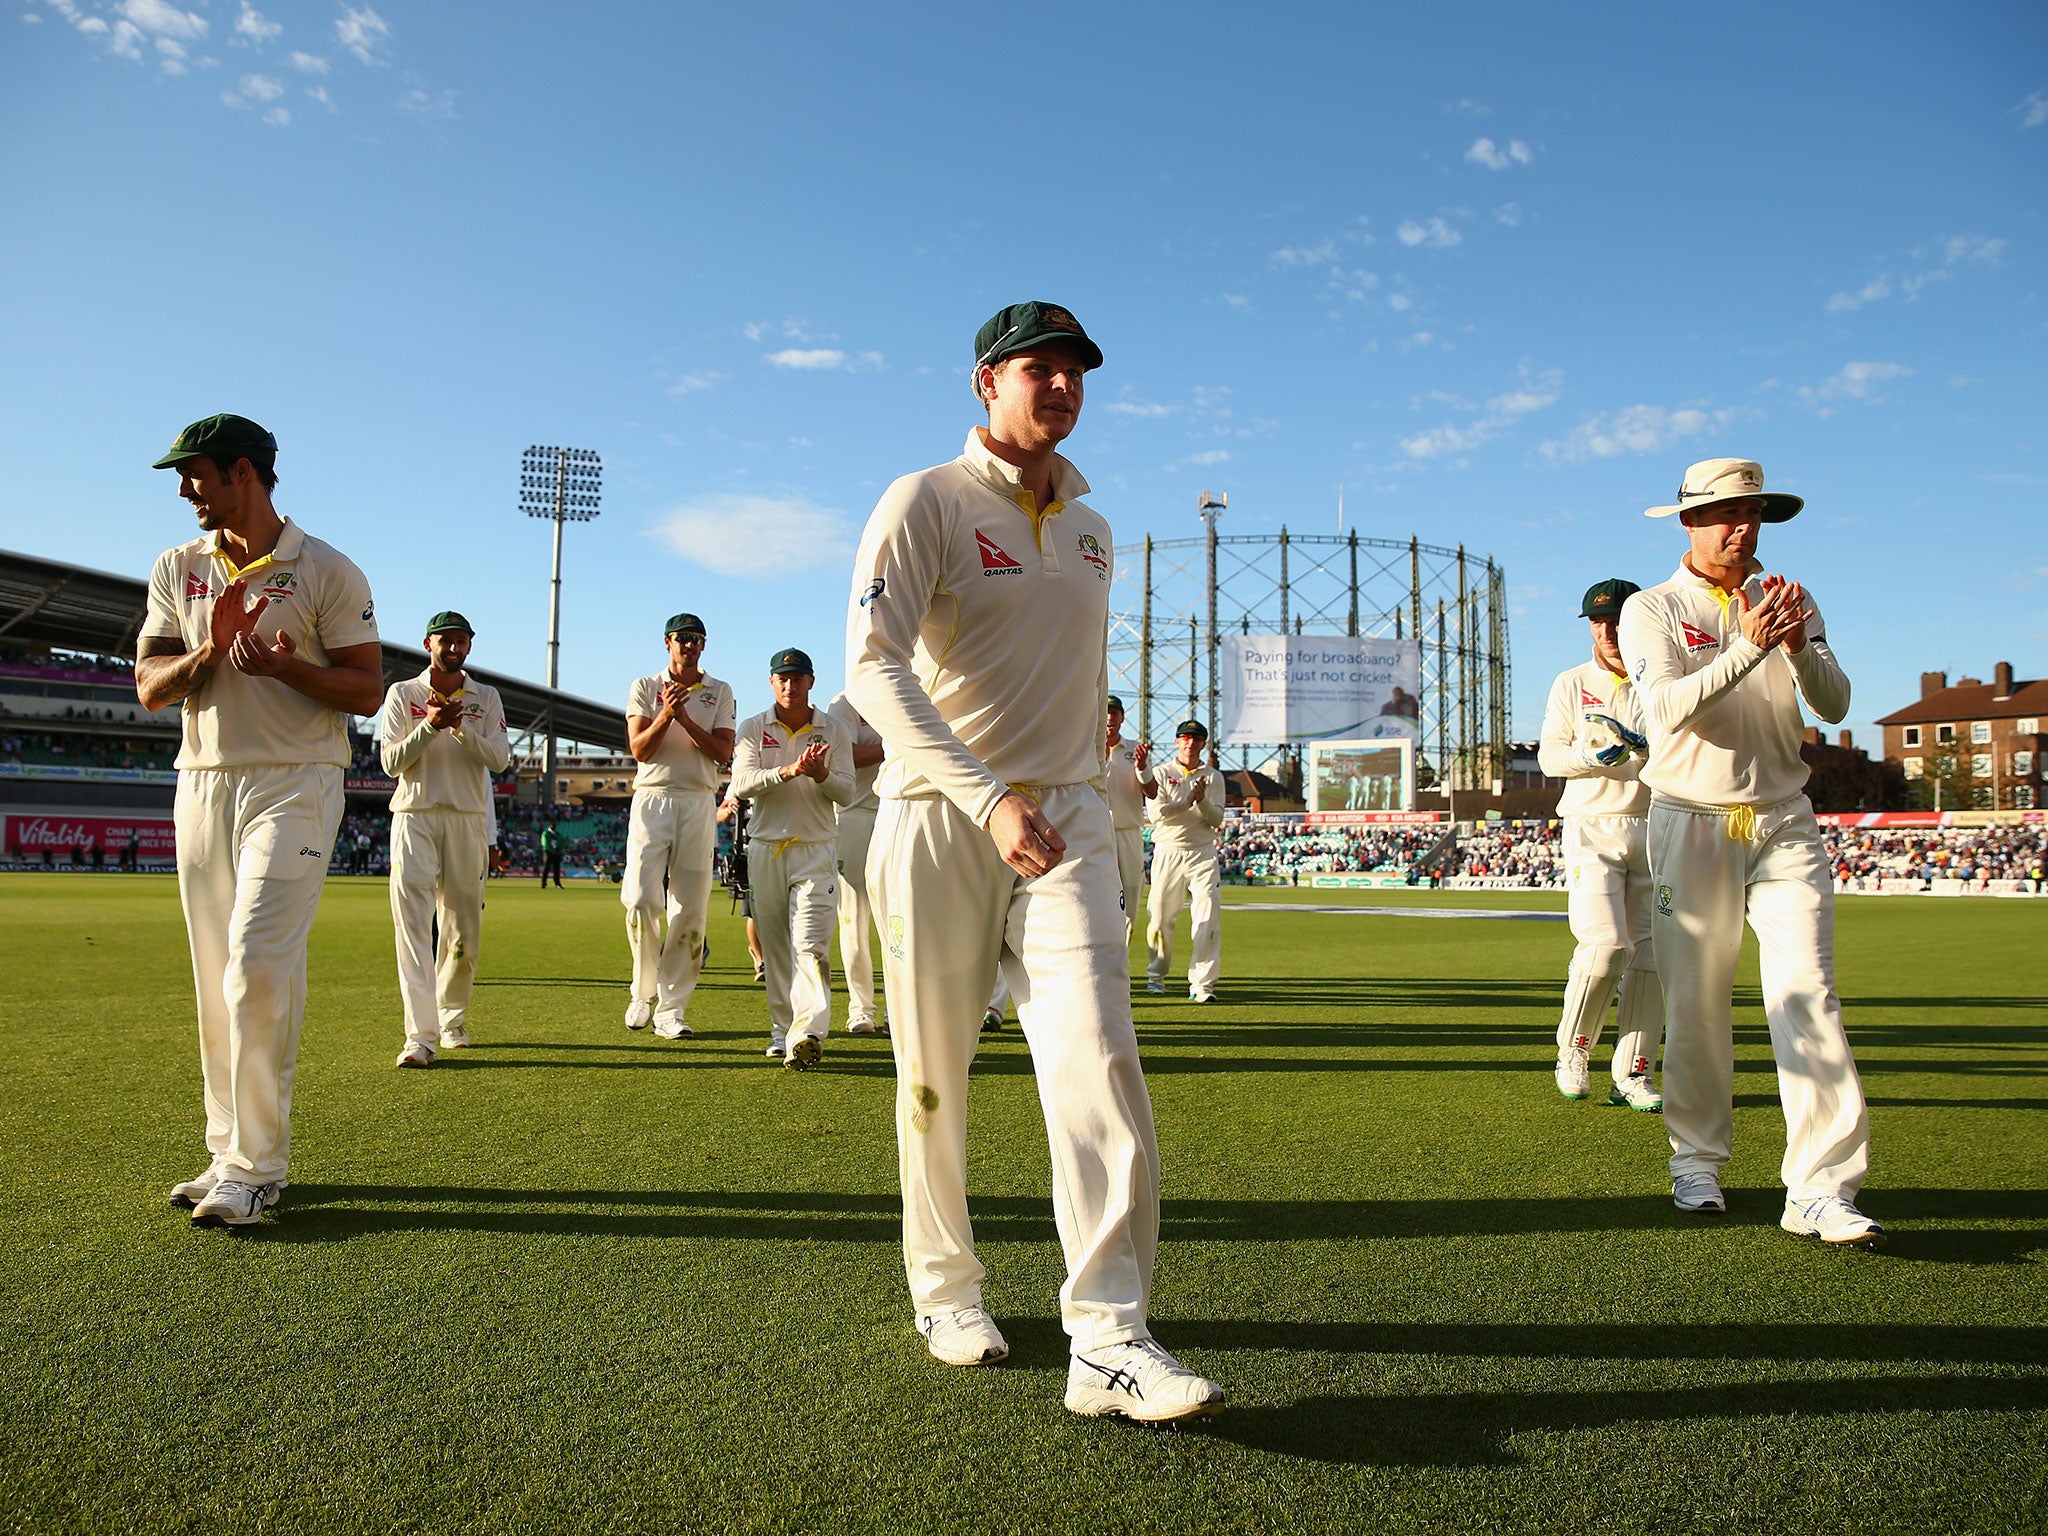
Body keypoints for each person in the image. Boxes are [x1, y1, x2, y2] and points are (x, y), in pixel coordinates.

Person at [846, 301, 1223, 1422]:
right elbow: (872, 669)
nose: (1057, 387)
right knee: (934, 1073)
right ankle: (944, 1286)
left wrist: (1055, 789)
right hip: (936, 813)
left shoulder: (1096, 525)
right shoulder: (923, 501)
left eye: (1071, 373)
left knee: (1100, 1055)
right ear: (984, 384)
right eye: (1035, 370)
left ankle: (1108, 1336)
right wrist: (985, 794)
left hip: (1067, 822)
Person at [1618, 457, 1879, 1246]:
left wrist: (1798, 647)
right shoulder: (1652, 608)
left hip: (1784, 818)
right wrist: (1749, 649)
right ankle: (1696, 1161)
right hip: (1691, 815)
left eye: (1755, 512)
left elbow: (1835, 703)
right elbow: (1662, 709)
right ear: (1689, 522)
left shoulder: (1787, 598)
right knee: (1696, 1002)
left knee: (1809, 992)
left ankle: (1821, 1188)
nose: (1744, 527)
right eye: (1727, 513)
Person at [136, 413, 383, 1227]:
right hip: (202, 780)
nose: (183, 490)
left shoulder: (326, 569)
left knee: (253, 962)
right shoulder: (178, 566)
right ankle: (225, 1152)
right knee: (218, 976)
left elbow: (366, 690)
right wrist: (209, 654)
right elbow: (149, 685)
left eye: (195, 474)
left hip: (297, 780)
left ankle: (256, 1166)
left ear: (243, 472)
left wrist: (290, 668)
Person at [1536, 580, 1664, 1112]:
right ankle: (1574, 1049)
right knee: (1607, 945)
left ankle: (1634, 1071)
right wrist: (1599, 757)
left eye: (1617, 621)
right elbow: (1550, 759)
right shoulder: (1572, 683)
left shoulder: (1664, 679)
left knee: (1654, 957)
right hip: (1592, 827)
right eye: (1598, 622)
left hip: (1657, 827)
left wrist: (1645, 754)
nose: (1608, 632)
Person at [377, 611, 510, 1067]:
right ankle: (418, 1035)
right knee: (413, 926)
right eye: (444, 641)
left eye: (461, 641)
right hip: (414, 816)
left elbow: (499, 759)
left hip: (467, 820)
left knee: (462, 930)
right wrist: (429, 725)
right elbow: (390, 762)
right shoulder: (403, 694)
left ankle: (451, 1020)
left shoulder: (486, 697)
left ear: (469, 645)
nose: (453, 648)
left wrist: (459, 728)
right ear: (427, 644)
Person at [731, 648, 854, 1067]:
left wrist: (821, 775)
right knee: (778, 948)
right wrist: (788, 771)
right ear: (771, 682)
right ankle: (782, 1031)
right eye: (782, 678)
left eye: (798, 678)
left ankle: (808, 1031)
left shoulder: (834, 730)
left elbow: (848, 792)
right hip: (765, 846)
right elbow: (743, 785)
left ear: (811, 682)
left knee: (811, 944)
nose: (790, 685)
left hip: (816, 848)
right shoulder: (752, 727)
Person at [621, 614, 736, 1040]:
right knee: (639, 900)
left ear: (703, 646)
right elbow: (640, 750)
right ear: (667, 642)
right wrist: (666, 714)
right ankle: (642, 990)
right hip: (652, 799)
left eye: (697, 640)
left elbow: (723, 752)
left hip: (697, 800)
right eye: (682, 639)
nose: (689, 646)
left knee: (689, 908)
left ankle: (671, 1008)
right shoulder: (644, 687)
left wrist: (685, 718)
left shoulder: (719, 691)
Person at [1143, 721, 1226, 1003]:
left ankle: (1202, 985)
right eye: (1186, 738)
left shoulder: (1213, 777)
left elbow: (1215, 819)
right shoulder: (1162, 773)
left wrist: (1201, 801)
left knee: (1207, 917)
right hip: (1168, 850)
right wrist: (1189, 801)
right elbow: (1157, 814)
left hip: (1202, 852)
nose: (1191, 743)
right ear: (1177, 742)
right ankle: (1157, 976)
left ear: (1204, 744)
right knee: (1160, 918)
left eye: (1197, 739)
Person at [825, 688, 889, 1035]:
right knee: (854, 917)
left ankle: (899, 1008)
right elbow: (845, 754)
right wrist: (895, 746)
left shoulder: (911, 688)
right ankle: (861, 1008)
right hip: (851, 814)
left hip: (896, 810)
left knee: (898, 918)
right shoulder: (846, 702)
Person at [1103, 695, 1152, 951]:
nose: (1110, 717)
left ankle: (1118, 964)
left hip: (1128, 832)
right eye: (1106, 710)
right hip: (1094, 832)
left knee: (1130, 900)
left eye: (1115, 712)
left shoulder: (1135, 750)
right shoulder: (1084, 746)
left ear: (1122, 717)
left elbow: (1152, 791)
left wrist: (1142, 767)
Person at [539, 819, 564, 887]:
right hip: (548, 853)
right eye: (553, 824)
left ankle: (557, 883)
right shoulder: (546, 833)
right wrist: (553, 850)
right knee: (546, 868)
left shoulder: (557, 834)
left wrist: (559, 849)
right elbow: (545, 844)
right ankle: (543, 883)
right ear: (549, 825)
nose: (554, 826)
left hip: (556, 853)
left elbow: (561, 841)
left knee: (557, 869)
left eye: (555, 825)